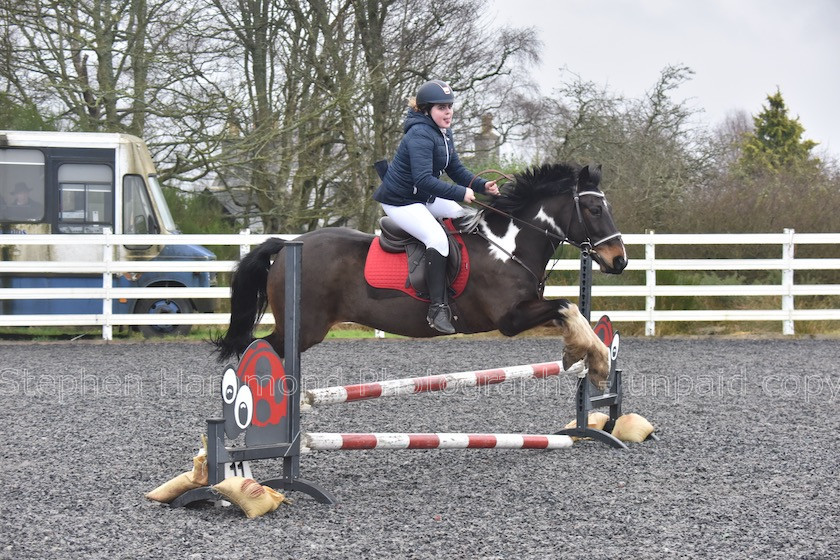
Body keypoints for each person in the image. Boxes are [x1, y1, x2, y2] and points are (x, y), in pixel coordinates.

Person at [373, 79, 500, 334]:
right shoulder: (419, 134)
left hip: (421, 196)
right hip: (401, 201)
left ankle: (467, 284)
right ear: (426, 110)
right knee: (437, 238)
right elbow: (423, 180)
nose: (448, 112)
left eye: (450, 106)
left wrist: (481, 186)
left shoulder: (443, 133)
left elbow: (455, 170)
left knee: (467, 217)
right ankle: (437, 307)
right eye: (442, 107)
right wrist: (460, 192)